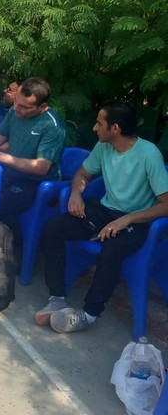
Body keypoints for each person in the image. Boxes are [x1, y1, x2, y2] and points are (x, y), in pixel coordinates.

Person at [35, 99, 168, 334]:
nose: (95, 128)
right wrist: (76, 193)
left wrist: (127, 219)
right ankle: (57, 298)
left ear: (115, 128)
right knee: (53, 227)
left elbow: (166, 205)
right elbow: (82, 174)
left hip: (138, 221)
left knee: (112, 248)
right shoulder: (103, 146)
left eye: (99, 123)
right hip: (105, 210)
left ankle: (89, 314)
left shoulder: (149, 154)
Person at [0, 77, 66, 248]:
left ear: (42, 107)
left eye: (25, 107)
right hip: (10, 174)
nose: (17, 108)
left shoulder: (52, 126)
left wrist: (0, 157)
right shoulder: (14, 112)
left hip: (36, 183)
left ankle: (12, 249)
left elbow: (41, 167)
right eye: (16, 101)